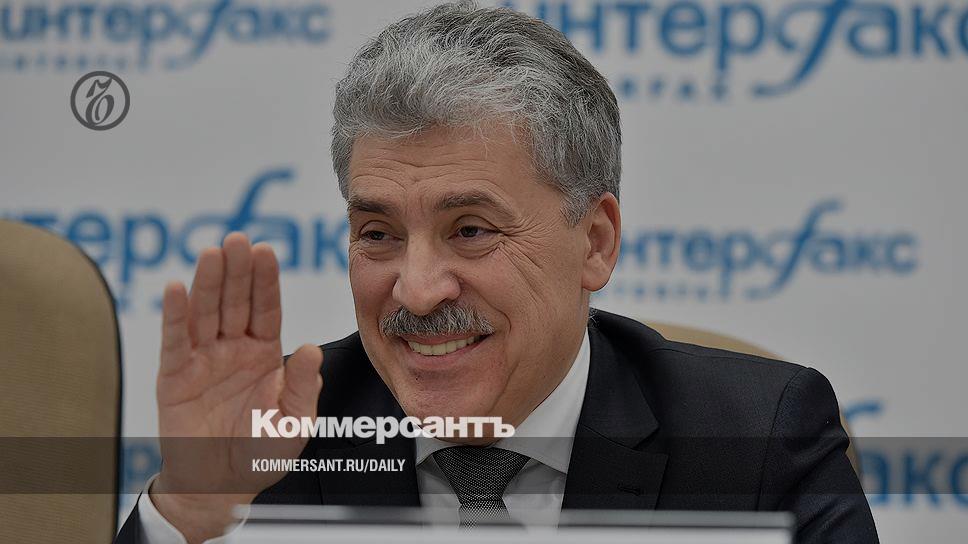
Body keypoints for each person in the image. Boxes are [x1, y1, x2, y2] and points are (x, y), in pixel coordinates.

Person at [115, 3, 878, 543]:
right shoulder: (280, 442)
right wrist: (191, 509)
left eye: (471, 231)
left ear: (595, 242)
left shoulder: (755, 438)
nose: (417, 291)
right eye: (378, 234)